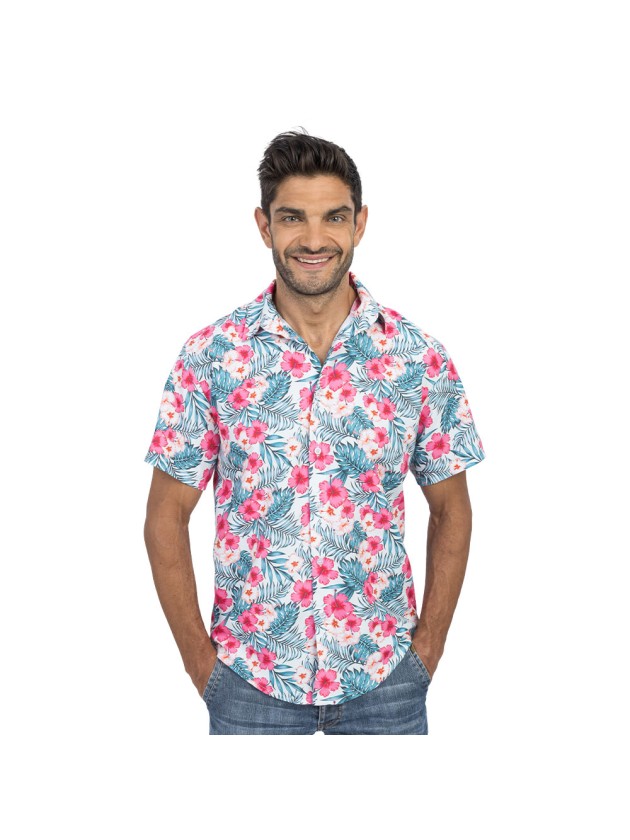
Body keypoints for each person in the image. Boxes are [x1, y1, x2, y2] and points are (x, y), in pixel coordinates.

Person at [143, 130, 486, 734]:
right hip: (249, 683)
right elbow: (165, 517)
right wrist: (203, 666)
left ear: (360, 224)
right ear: (263, 226)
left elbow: (451, 510)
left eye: (334, 217)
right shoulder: (211, 356)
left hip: (386, 679)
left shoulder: (418, 359)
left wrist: (426, 650)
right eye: (292, 217)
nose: (313, 239)